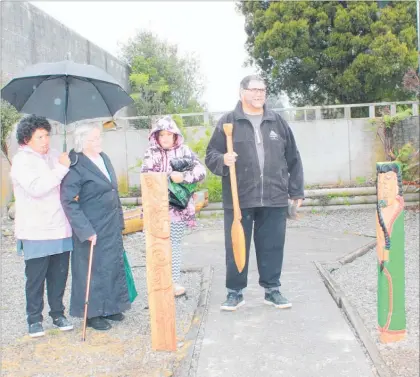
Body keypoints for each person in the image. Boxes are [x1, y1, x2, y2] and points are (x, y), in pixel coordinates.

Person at [205, 75, 304, 311]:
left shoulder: (277, 121)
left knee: (272, 245)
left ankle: (272, 290)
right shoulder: (228, 122)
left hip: (274, 195)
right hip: (240, 197)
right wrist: (223, 159)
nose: (259, 94)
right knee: (236, 245)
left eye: (263, 90)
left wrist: (296, 190)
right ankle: (234, 292)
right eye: (254, 89)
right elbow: (210, 155)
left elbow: (293, 157)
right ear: (242, 92)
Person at [60, 123, 130, 331]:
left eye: (99, 137)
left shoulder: (104, 157)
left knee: (111, 264)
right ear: (82, 142)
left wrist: (120, 219)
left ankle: (111, 306)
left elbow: (112, 190)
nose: (99, 141)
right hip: (91, 223)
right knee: (91, 268)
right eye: (93, 139)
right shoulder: (76, 164)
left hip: (110, 221)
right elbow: (68, 200)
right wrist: (85, 229)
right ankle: (91, 313)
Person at [10, 114, 74, 337]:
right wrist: (61, 169)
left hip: (60, 226)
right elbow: (36, 187)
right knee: (36, 277)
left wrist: (66, 163)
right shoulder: (22, 161)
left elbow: (65, 178)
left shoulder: (54, 156)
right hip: (36, 230)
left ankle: (57, 313)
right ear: (27, 139)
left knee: (59, 274)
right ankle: (34, 319)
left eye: (47, 135)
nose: (45, 140)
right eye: (40, 137)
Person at [140, 116, 206, 297]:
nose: (166, 138)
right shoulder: (151, 153)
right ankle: (159, 282)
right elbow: (145, 176)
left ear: (175, 136)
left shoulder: (185, 151)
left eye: (169, 134)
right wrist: (164, 177)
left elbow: (201, 172)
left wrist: (183, 177)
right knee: (156, 243)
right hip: (156, 207)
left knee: (174, 244)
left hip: (178, 209)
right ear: (157, 137)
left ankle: (173, 281)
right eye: (162, 135)